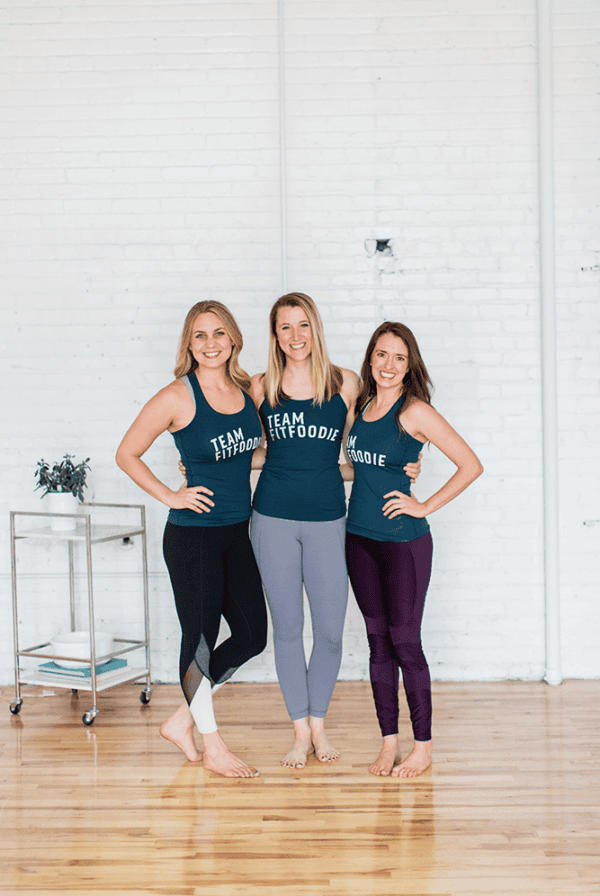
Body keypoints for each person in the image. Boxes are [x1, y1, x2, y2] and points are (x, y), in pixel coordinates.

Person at [248, 294, 422, 769]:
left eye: (303, 325)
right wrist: (199, 462)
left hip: (330, 520)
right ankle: (300, 734)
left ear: (315, 328)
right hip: (272, 519)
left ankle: (319, 727)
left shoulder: (345, 383)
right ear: (275, 334)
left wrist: (402, 463)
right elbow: (249, 448)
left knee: (328, 633)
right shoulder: (261, 387)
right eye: (285, 327)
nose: (296, 336)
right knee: (288, 629)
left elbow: (358, 451)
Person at [116, 301, 267, 778]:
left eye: (219, 333)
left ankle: (181, 720)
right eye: (200, 336)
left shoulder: (247, 391)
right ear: (189, 344)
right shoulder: (177, 397)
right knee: (199, 639)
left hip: (235, 532)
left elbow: (248, 454)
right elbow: (127, 453)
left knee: (251, 636)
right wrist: (172, 495)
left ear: (234, 339)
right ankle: (213, 743)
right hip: (193, 537)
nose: (210, 344)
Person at [343, 321, 483, 779]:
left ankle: (422, 748)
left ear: (410, 365)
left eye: (399, 358)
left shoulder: (415, 412)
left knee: (406, 642)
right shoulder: (361, 408)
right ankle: (389, 744)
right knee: (377, 642)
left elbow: (470, 464)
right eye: (381, 355)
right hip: (359, 540)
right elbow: (356, 470)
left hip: (404, 543)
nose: (388, 365)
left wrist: (423, 504)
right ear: (370, 359)